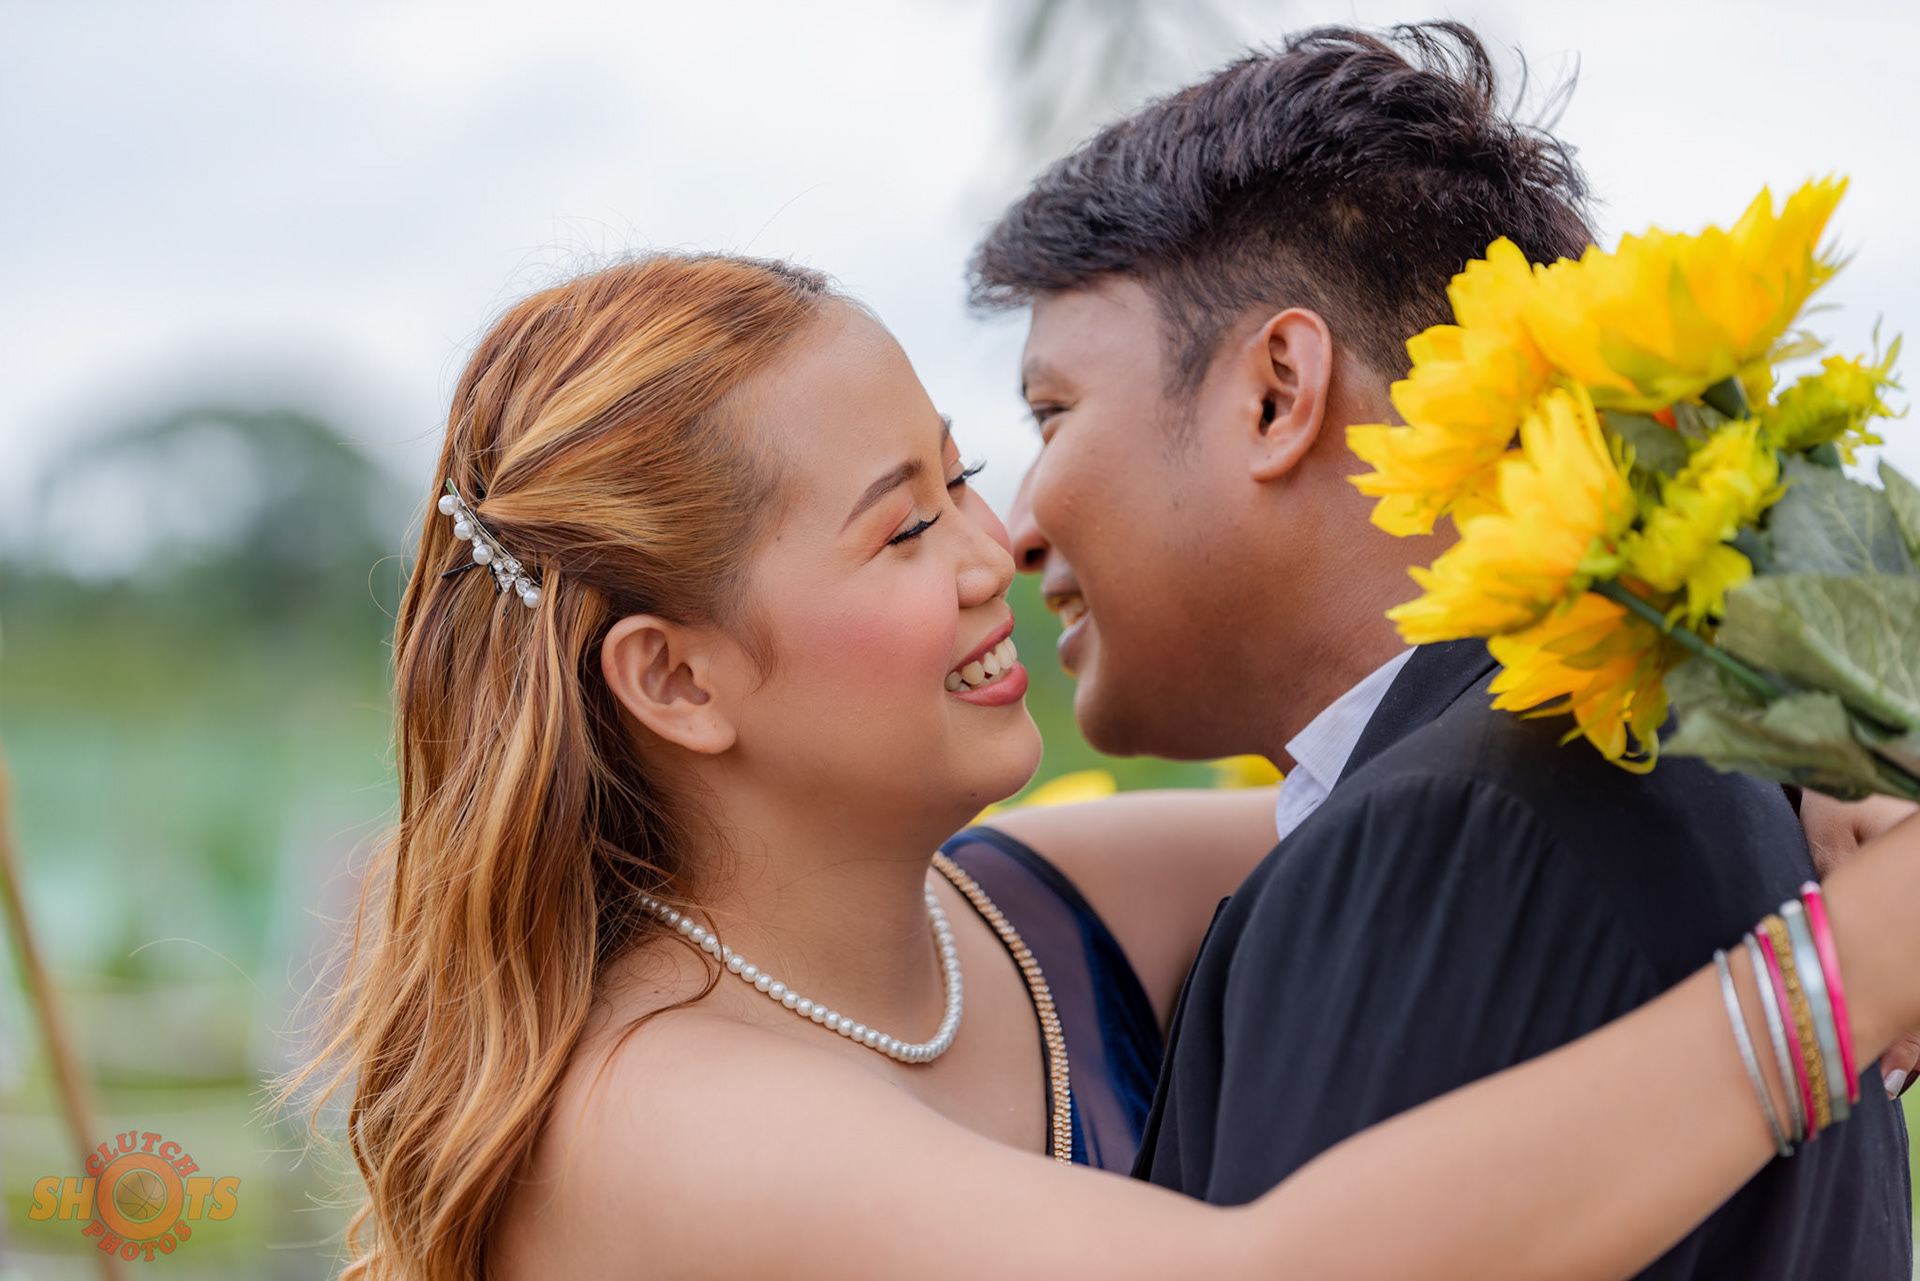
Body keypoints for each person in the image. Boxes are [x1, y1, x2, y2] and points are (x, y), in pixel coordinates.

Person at [292, 249, 1920, 1281]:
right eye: (902, 528)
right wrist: (1851, 973)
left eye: (961, 476)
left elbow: (1476, 800)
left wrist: (1801, 762)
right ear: (677, 677)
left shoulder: (1044, 910)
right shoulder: (666, 1121)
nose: (995, 549)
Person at [972, 21, 1912, 1277]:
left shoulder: (1452, 825)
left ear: (1277, 391)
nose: (1017, 531)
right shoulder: (1656, 774)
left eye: (1053, 414)